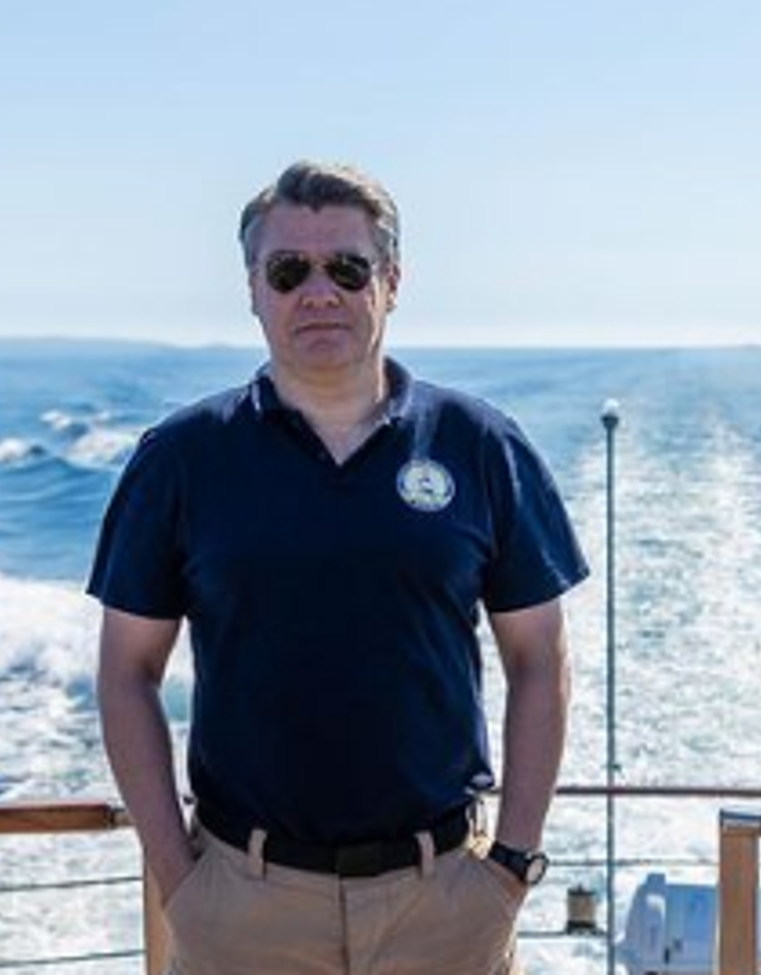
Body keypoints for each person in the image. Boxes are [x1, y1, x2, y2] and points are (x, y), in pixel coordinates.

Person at [91, 160, 587, 974]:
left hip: (445, 904)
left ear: (391, 281)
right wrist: (179, 880)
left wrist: (511, 864)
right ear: (253, 290)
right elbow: (125, 672)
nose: (318, 292)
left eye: (347, 268)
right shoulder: (181, 458)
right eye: (288, 271)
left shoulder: (480, 445)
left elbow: (539, 659)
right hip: (243, 909)